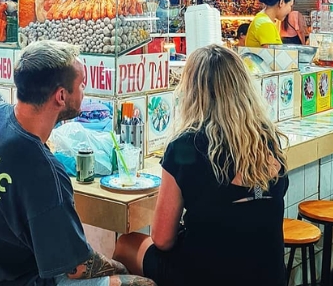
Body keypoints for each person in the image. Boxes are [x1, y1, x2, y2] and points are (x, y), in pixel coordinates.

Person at [0, 40, 155, 286]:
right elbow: (78, 267)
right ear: (61, 96)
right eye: (81, 84)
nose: (85, 90)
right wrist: (119, 268)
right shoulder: (42, 170)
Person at [113, 44, 288, 286]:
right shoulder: (266, 138)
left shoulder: (185, 146)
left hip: (203, 275)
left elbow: (163, 239)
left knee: (126, 244)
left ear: (192, 91)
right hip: (270, 276)